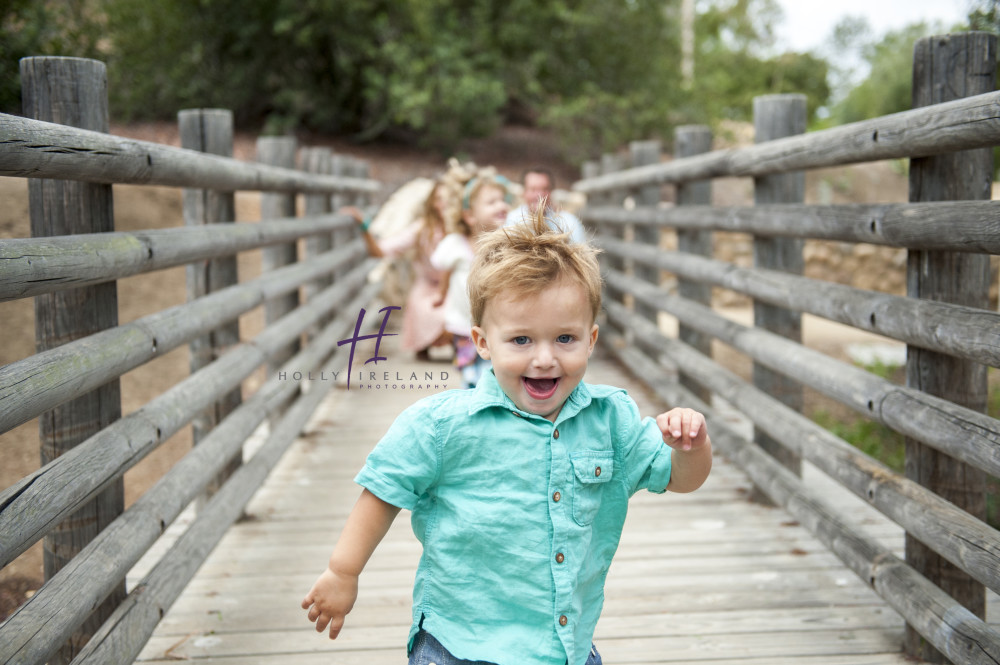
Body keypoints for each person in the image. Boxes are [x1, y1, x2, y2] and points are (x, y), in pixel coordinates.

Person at [301, 211, 714, 665]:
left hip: (563, 647)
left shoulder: (611, 419)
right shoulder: (443, 425)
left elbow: (679, 478)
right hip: (458, 643)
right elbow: (384, 489)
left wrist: (691, 448)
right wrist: (344, 570)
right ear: (482, 342)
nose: (543, 358)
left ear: (591, 339)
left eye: (564, 338)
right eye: (520, 340)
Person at [344, 178, 458, 359]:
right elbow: (381, 250)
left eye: (450, 198)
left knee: (457, 308)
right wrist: (364, 226)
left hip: (456, 284)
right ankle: (423, 346)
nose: (444, 203)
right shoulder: (422, 229)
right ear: (432, 203)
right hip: (429, 283)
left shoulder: (464, 229)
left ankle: (460, 345)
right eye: (439, 198)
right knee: (422, 307)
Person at [429, 170, 511, 388]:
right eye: (492, 202)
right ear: (470, 216)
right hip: (462, 320)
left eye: (503, 200)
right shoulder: (456, 243)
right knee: (467, 367)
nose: (501, 205)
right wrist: (440, 293)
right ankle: (470, 388)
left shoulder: (507, 242)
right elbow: (445, 270)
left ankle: (490, 391)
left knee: (494, 365)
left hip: (497, 320)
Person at [505, 166, 586, 244]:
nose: (539, 195)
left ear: (551, 192)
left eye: (544, 189)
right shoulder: (510, 221)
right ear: (524, 192)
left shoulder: (568, 222)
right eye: (533, 189)